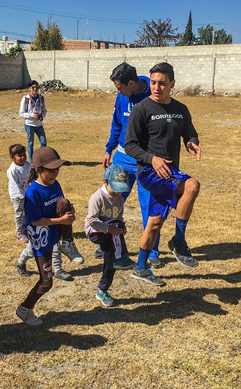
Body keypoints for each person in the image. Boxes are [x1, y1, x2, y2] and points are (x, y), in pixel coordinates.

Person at [125, 62, 202, 286]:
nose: (156, 88)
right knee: (192, 185)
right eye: (153, 83)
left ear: (172, 85)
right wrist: (152, 158)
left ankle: (140, 267)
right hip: (150, 171)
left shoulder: (180, 109)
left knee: (155, 221)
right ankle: (178, 241)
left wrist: (192, 142)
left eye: (162, 83)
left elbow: (189, 132)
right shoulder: (141, 109)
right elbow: (130, 145)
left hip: (170, 171)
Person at [102, 62, 161, 269]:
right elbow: (117, 123)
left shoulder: (152, 96)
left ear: (131, 83)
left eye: (120, 87)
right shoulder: (122, 96)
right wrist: (109, 148)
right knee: (111, 200)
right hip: (122, 157)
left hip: (146, 160)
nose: (118, 91)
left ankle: (152, 251)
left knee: (149, 206)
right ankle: (106, 243)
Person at [16, 147, 83, 327]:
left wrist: (69, 213)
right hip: (41, 240)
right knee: (46, 282)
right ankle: (24, 309)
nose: (55, 173)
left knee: (65, 202)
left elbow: (59, 204)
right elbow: (36, 221)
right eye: (51, 170)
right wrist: (62, 219)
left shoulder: (55, 184)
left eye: (57, 169)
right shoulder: (32, 193)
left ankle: (68, 244)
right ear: (39, 170)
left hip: (54, 232)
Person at [85, 164, 131, 306]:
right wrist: (110, 229)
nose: (118, 193)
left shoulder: (120, 199)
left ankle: (102, 290)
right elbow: (92, 221)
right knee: (112, 255)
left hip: (111, 233)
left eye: (121, 189)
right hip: (95, 231)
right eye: (116, 189)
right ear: (105, 182)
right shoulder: (97, 197)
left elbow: (119, 217)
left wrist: (120, 229)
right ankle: (120, 257)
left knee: (110, 261)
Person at [7, 144, 32, 243]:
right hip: (17, 196)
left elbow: (32, 176)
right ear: (12, 158)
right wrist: (22, 196)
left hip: (27, 193)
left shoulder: (28, 165)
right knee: (19, 214)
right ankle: (19, 234)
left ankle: (27, 231)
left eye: (23, 155)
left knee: (28, 213)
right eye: (19, 155)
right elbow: (15, 185)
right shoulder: (13, 170)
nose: (22, 157)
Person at [19, 80, 47, 161]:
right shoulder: (26, 99)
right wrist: (32, 115)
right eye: (33, 87)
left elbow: (44, 110)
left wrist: (42, 115)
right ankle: (31, 160)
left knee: (43, 142)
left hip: (39, 125)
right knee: (30, 143)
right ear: (30, 88)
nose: (35, 89)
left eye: (37, 87)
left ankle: (42, 158)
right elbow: (21, 113)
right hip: (29, 124)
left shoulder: (41, 98)